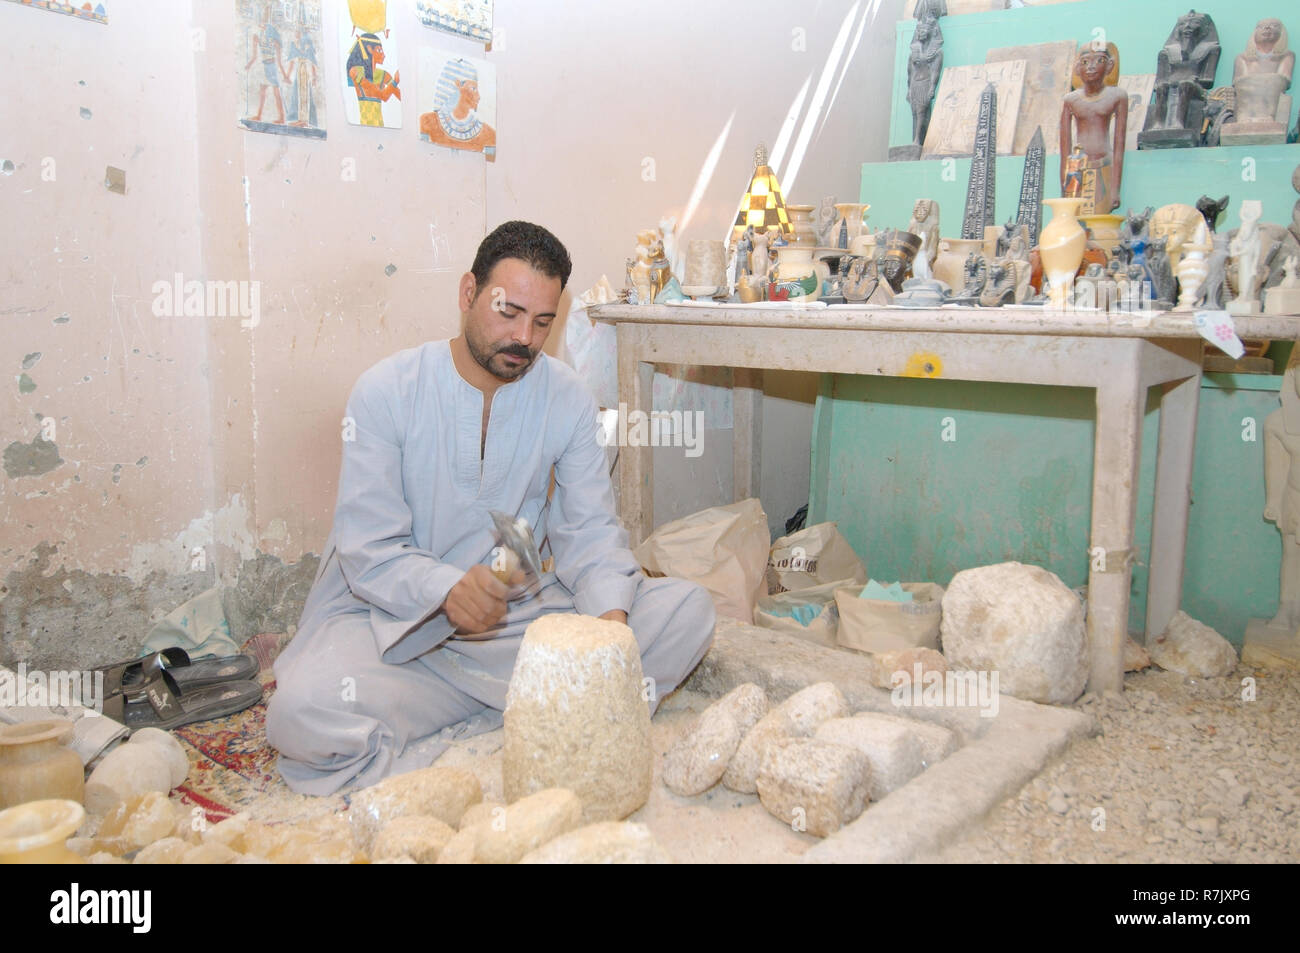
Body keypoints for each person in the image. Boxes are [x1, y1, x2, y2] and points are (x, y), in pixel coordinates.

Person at [266, 222, 716, 795]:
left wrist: (607, 637)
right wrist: (447, 592)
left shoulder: (567, 397)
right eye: (508, 312)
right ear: (467, 294)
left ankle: (518, 704)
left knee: (685, 612)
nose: (524, 337)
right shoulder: (385, 392)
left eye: (543, 322)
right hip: (393, 625)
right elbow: (369, 551)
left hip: (514, 620)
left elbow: (590, 533)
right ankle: (535, 709)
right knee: (303, 711)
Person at [1059, 44, 1127, 214]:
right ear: (1077, 68)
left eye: (1099, 60)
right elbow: (1065, 149)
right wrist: (1065, 184)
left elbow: (1119, 147)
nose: (1090, 67)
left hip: (1104, 163)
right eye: (1085, 62)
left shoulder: (1117, 96)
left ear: (1109, 66)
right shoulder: (1071, 100)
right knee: (1077, 220)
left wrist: (1115, 189)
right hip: (1077, 167)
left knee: (1099, 221)